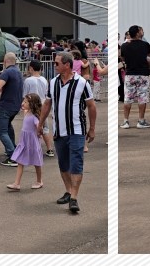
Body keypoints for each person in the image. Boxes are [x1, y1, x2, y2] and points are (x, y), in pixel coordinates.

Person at [44, 51, 97, 214]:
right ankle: (68, 191)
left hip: (77, 130)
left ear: (67, 65)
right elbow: (47, 104)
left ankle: (74, 197)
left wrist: (92, 129)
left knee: (76, 163)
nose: (54, 66)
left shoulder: (82, 83)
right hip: (59, 131)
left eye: (57, 63)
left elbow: (91, 106)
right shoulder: (53, 83)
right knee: (63, 164)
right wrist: (40, 124)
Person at [7, 93, 45, 191]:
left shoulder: (35, 117)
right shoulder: (26, 112)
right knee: (20, 161)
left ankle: (39, 181)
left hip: (32, 142)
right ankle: (17, 183)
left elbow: (39, 127)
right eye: (23, 101)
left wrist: (39, 131)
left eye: (25, 102)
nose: (23, 103)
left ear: (32, 104)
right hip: (24, 142)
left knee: (37, 163)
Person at [0, 52, 24, 167]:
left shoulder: (7, 72)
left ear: (5, 62)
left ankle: (12, 155)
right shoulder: (18, 72)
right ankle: (13, 149)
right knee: (8, 127)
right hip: (15, 105)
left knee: (1, 131)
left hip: (6, 105)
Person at [120, 25, 150, 129]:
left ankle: (125, 121)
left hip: (130, 74)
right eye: (141, 30)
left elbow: (122, 57)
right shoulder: (145, 44)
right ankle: (141, 120)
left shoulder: (124, 46)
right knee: (142, 98)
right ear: (138, 32)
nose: (142, 31)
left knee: (128, 98)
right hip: (143, 74)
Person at [23, 60, 53, 157]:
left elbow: (25, 95)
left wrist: (24, 107)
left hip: (31, 107)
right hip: (43, 105)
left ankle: (31, 149)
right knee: (44, 128)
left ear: (31, 68)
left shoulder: (28, 80)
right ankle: (49, 149)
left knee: (30, 128)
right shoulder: (44, 80)